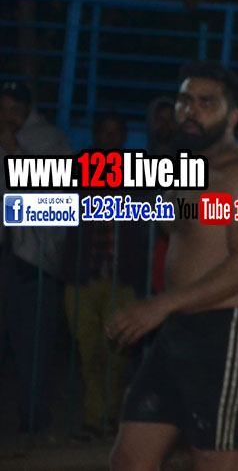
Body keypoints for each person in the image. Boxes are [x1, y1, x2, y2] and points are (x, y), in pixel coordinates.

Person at [107, 62, 238, 470]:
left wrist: (159, 305)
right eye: (185, 101)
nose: (191, 111)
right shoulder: (185, 170)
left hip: (225, 331)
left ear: (232, 116)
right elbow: (185, 228)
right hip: (177, 328)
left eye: (206, 103)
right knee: (129, 459)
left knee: (213, 463)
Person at [61, 113, 148, 440]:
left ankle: (107, 417)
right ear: (95, 135)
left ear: (124, 137)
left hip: (120, 278)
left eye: (116, 132)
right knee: (89, 352)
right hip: (82, 276)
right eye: (104, 132)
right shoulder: (76, 168)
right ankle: (95, 418)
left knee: (117, 355)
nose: (110, 138)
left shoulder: (138, 172)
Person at [0, 80, 73, 435]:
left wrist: (14, 150)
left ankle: (34, 424)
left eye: (15, 109)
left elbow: (54, 205)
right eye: (2, 109)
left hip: (30, 261)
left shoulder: (51, 142)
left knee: (32, 348)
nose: (8, 116)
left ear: (29, 109)